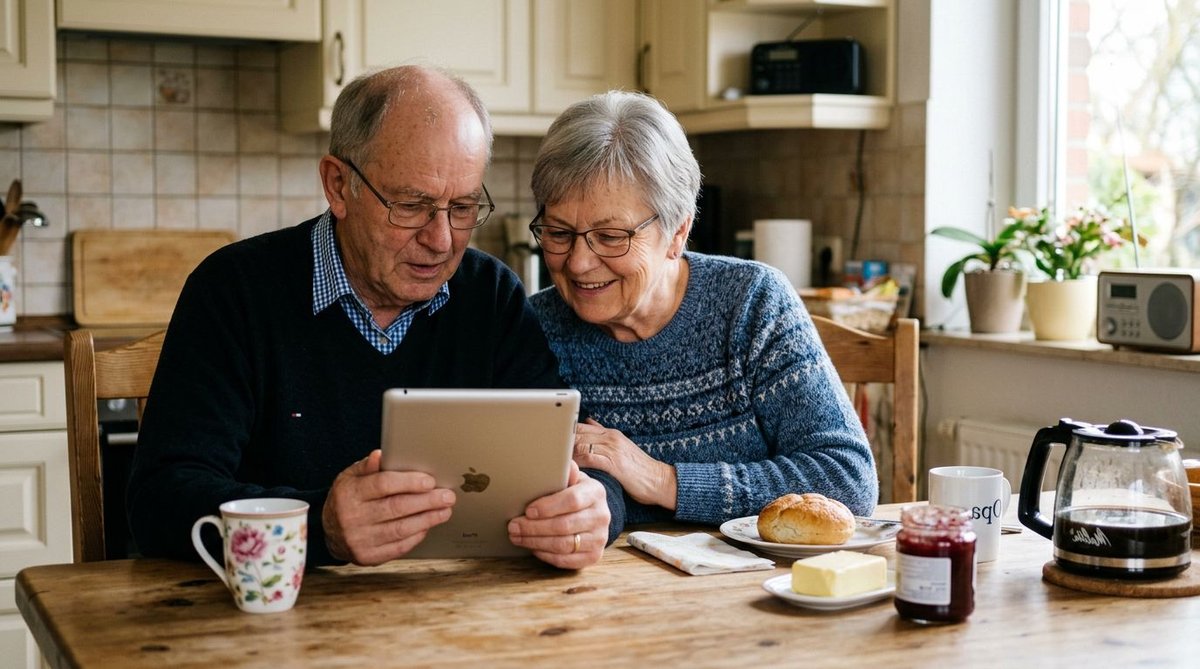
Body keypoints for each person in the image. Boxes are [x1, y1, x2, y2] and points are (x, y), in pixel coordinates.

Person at [127, 66, 622, 570]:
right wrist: (319, 527)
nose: (442, 239)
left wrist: (589, 509)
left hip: (459, 613)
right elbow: (160, 502)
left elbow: (562, 460)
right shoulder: (234, 291)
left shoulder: (490, 295)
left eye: (464, 207)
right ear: (338, 185)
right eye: (412, 206)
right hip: (277, 618)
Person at [527, 90, 878, 527]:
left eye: (612, 236)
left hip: (752, 585)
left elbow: (846, 481)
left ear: (677, 233)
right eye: (558, 233)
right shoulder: (534, 328)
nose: (578, 263)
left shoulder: (752, 303)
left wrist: (661, 480)